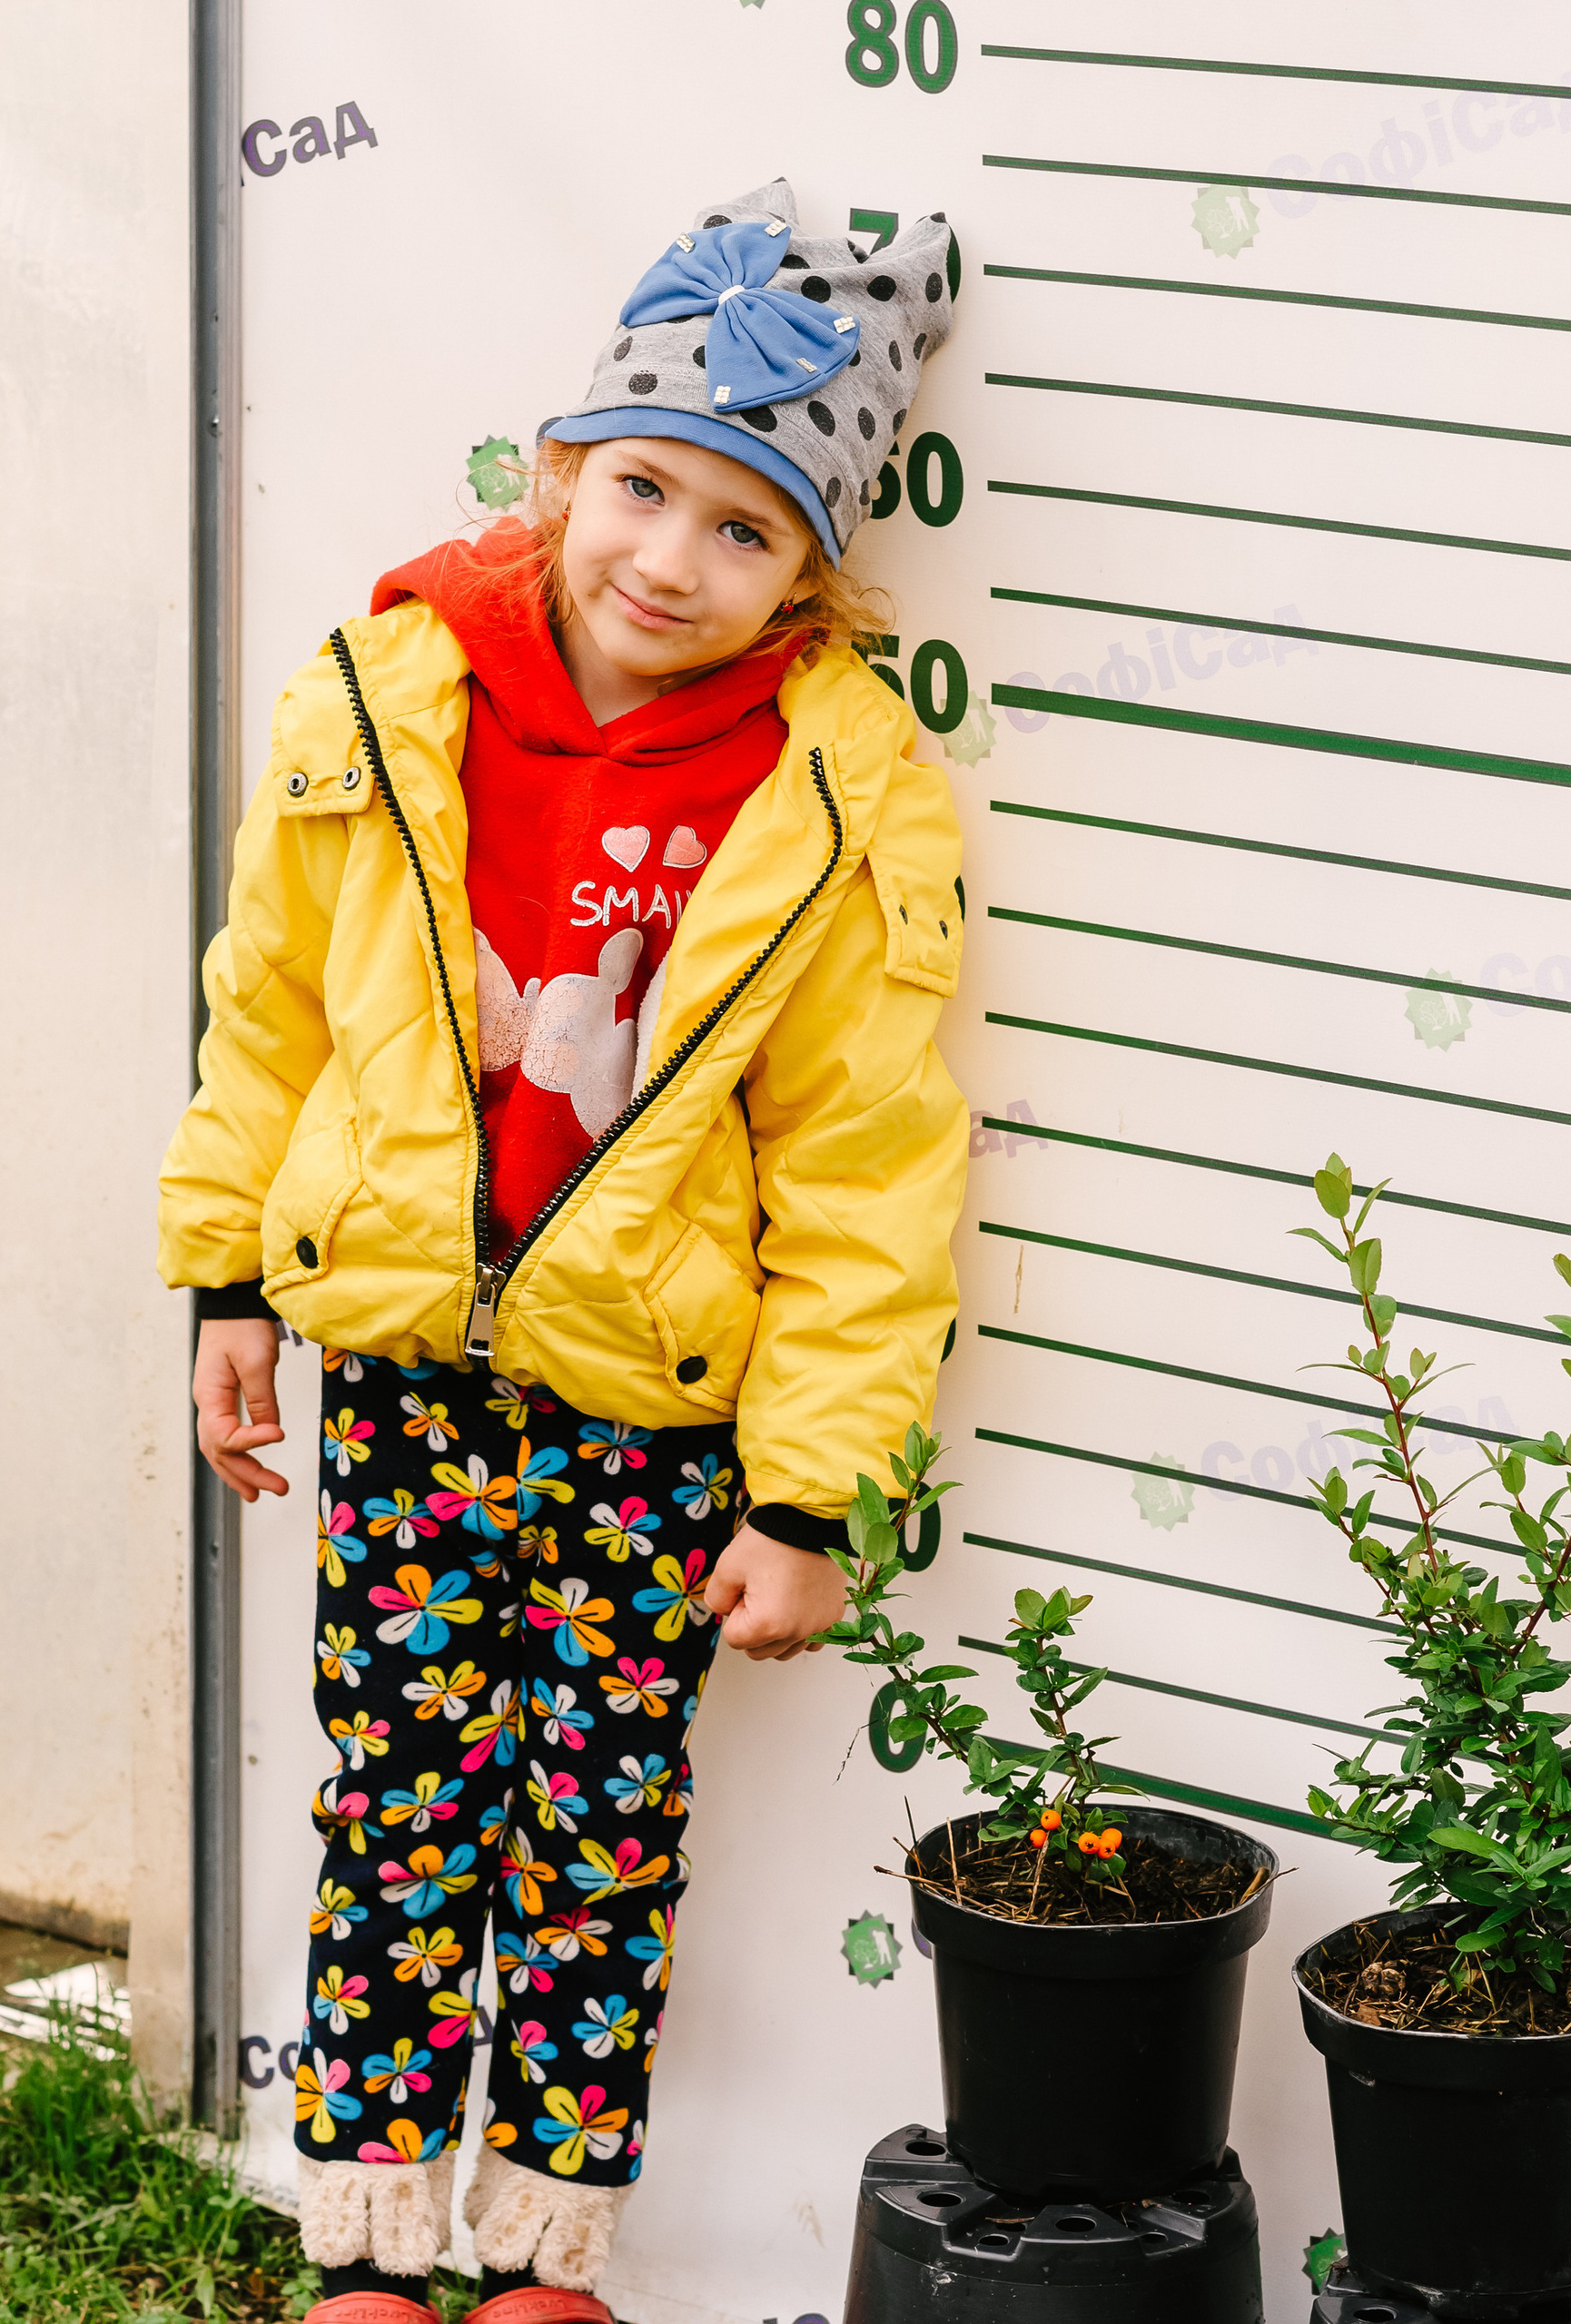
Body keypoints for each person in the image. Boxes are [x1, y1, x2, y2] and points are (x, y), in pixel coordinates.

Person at [158, 182, 966, 2324]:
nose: (670, 561)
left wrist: (807, 1489)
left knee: (597, 1840)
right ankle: (368, 2238)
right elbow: (271, 1012)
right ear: (555, 471)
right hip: (409, 1382)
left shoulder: (837, 791)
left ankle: (543, 2248)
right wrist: (231, 1280)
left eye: (745, 531)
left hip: (648, 1414)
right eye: (643, 490)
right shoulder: (388, 687)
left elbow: (871, 1173)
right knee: (400, 1814)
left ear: (815, 573)